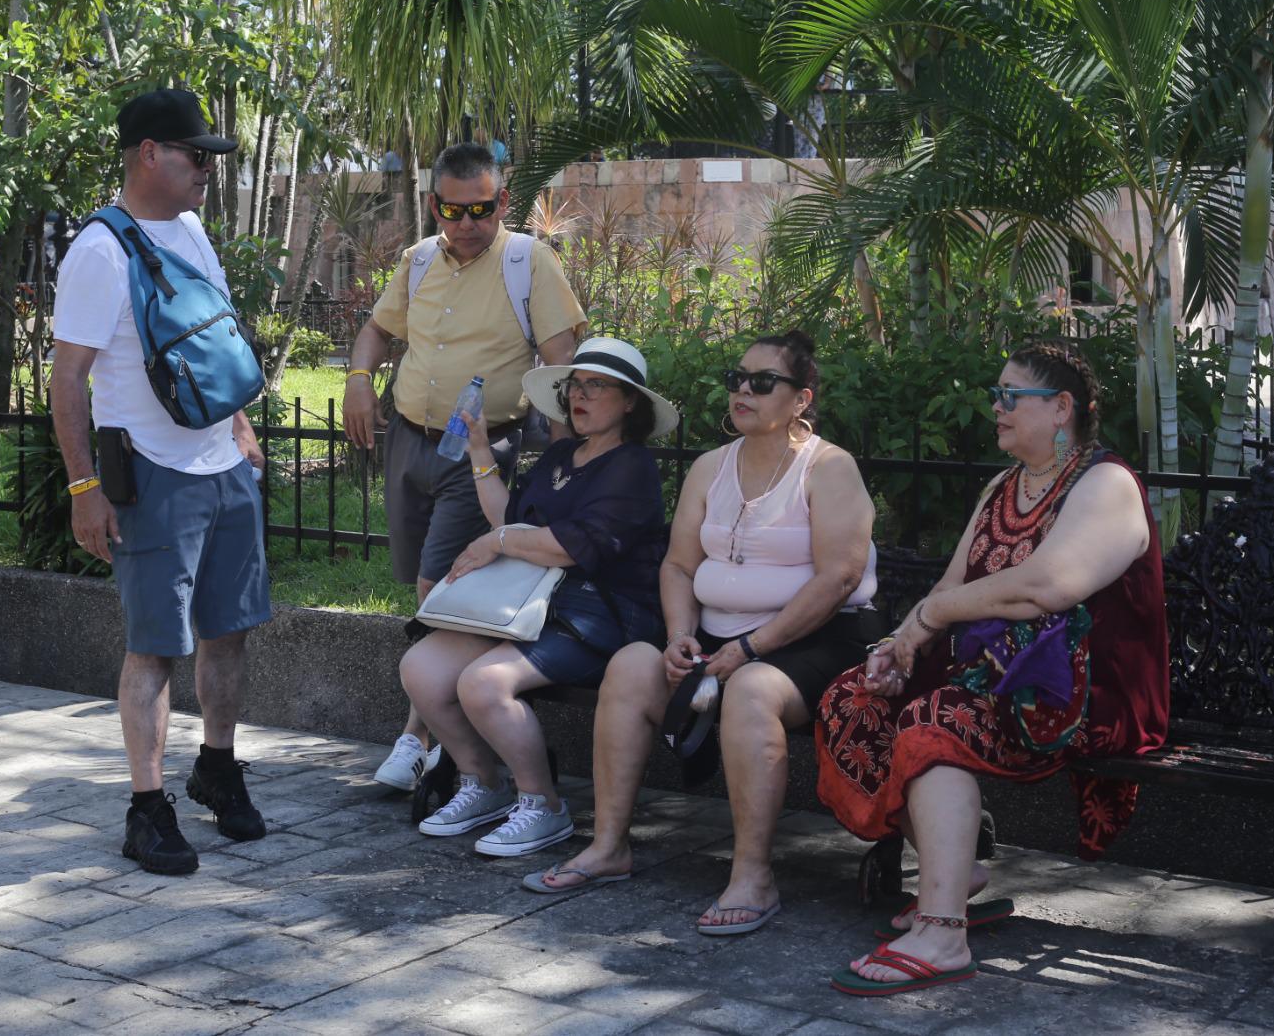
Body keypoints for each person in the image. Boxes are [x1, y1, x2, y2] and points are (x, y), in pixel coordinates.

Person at [815, 342, 1168, 997]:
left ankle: (943, 933)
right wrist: (897, 645)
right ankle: (957, 872)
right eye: (995, 394)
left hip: (1081, 695)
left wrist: (934, 617)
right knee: (853, 701)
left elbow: (1048, 587)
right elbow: (950, 588)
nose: (995, 407)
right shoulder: (1003, 487)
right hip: (990, 680)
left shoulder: (1106, 483)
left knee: (935, 721)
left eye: (1011, 395)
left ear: (1061, 408)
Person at [529, 330, 883, 935]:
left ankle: (753, 877)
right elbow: (678, 565)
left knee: (751, 692)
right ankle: (610, 846)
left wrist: (749, 650)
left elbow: (839, 578)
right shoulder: (711, 467)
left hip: (814, 639)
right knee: (631, 665)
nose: (743, 390)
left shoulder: (829, 468)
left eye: (762, 382)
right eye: (737, 379)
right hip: (718, 640)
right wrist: (679, 635)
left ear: (801, 399)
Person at [50, 89, 271, 876]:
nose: (207, 169)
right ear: (150, 154)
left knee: (231, 628)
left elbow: (217, 328)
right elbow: (67, 379)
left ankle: (216, 765)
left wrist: (241, 428)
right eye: (195, 155)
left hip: (220, 465)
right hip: (151, 473)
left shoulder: (190, 228)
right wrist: (84, 490)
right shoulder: (100, 250)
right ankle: (147, 808)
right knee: (154, 649)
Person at [343, 142, 584, 793]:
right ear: (435, 205)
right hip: (411, 443)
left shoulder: (527, 261)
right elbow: (376, 331)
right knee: (425, 591)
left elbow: (563, 367)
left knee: (439, 590)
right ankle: (439, 739)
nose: (467, 222)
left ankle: (419, 740)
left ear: (503, 202)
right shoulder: (418, 260)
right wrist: (359, 379)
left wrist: (567, 466)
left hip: (485, 451)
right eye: (454, 209)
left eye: (481, 208)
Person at [402, 337, 676, 856]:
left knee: (484, 685)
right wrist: (480, 448)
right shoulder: (560, 453)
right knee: (422, 669)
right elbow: (510, 521)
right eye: (576, 384)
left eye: (598, 386)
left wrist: (498, 543)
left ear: (630, 401)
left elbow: (571, 548)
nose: (581, 395)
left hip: (598, 613)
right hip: (530, 604)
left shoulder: (631, 467)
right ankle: (482, 784)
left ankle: (543, 805)